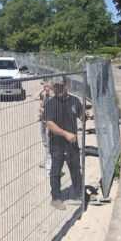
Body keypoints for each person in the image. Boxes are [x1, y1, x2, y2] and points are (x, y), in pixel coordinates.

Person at [45, 82, 84, 210]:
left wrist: (85, 116)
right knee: (56, 170)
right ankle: (56, 198)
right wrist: (65, 134)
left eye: (61, 87)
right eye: (56, 87)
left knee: (75, 168)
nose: (59, 90)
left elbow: (81, 115)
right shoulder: (50, 103)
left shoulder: (74, 100)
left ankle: (78, 193)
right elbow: (50, 124)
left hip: (72, 143)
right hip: (57, 143)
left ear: (67, 86)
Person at [38, 81, 52, 175]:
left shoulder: (53, 97)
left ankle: (49, 167)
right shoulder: (44, 96)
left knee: (49, 144)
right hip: (43, 121)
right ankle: (47, 162)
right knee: (45, 143)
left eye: (47, 86)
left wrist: (43, 109)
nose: (45, 87)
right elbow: (35, 96)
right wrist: (42, 90)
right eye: (45, 86)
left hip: (49, 123)